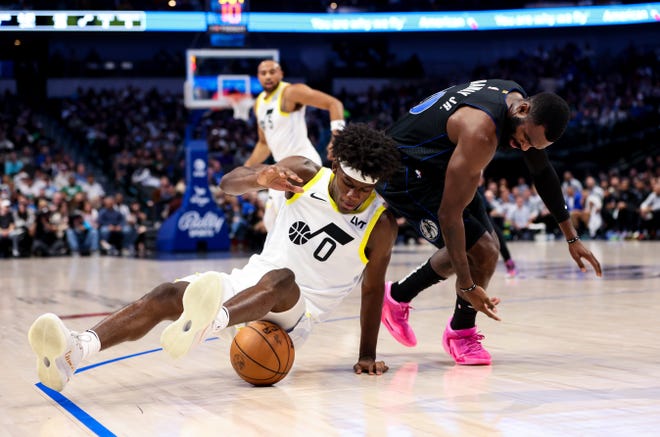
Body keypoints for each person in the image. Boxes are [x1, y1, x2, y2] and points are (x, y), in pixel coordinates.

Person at [28, 123, 400, 392]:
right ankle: (76, 352)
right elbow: (227, 183)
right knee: (165, 295)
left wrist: (367, 354)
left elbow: (372, 290)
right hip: (249, 287)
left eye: (365, 189)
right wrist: (261, 178)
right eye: (350, 185)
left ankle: (209, 321)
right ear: (335, 168)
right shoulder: (304, 174)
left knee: (282, 279)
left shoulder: (380, 223)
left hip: (297, 316)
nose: (355, 196)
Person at [372, 79, 602, 364]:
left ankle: (398, 296)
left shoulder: (516, 101)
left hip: (440, 162)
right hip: (402, 170)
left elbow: (542, 173)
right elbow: (448, 216)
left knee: (487, 250)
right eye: (527, 139)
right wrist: (468, 288)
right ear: (523, 109)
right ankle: (460, 332)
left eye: (534, 145)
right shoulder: (481, 132)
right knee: (482, 251)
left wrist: (572, 237)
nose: (525, 148)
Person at [247, 59, 345, 231]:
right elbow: (263, 144)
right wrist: (246, 169)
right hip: (281, 166)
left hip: (302, 161)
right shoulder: (259, 103)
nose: (268, 76)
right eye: (263, 73)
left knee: (296, 222)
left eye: (272, 71)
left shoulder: (291, 92)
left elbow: (334, 104)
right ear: (258, 77)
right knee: (272, 221)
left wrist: (336, 138)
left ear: (281, 74)